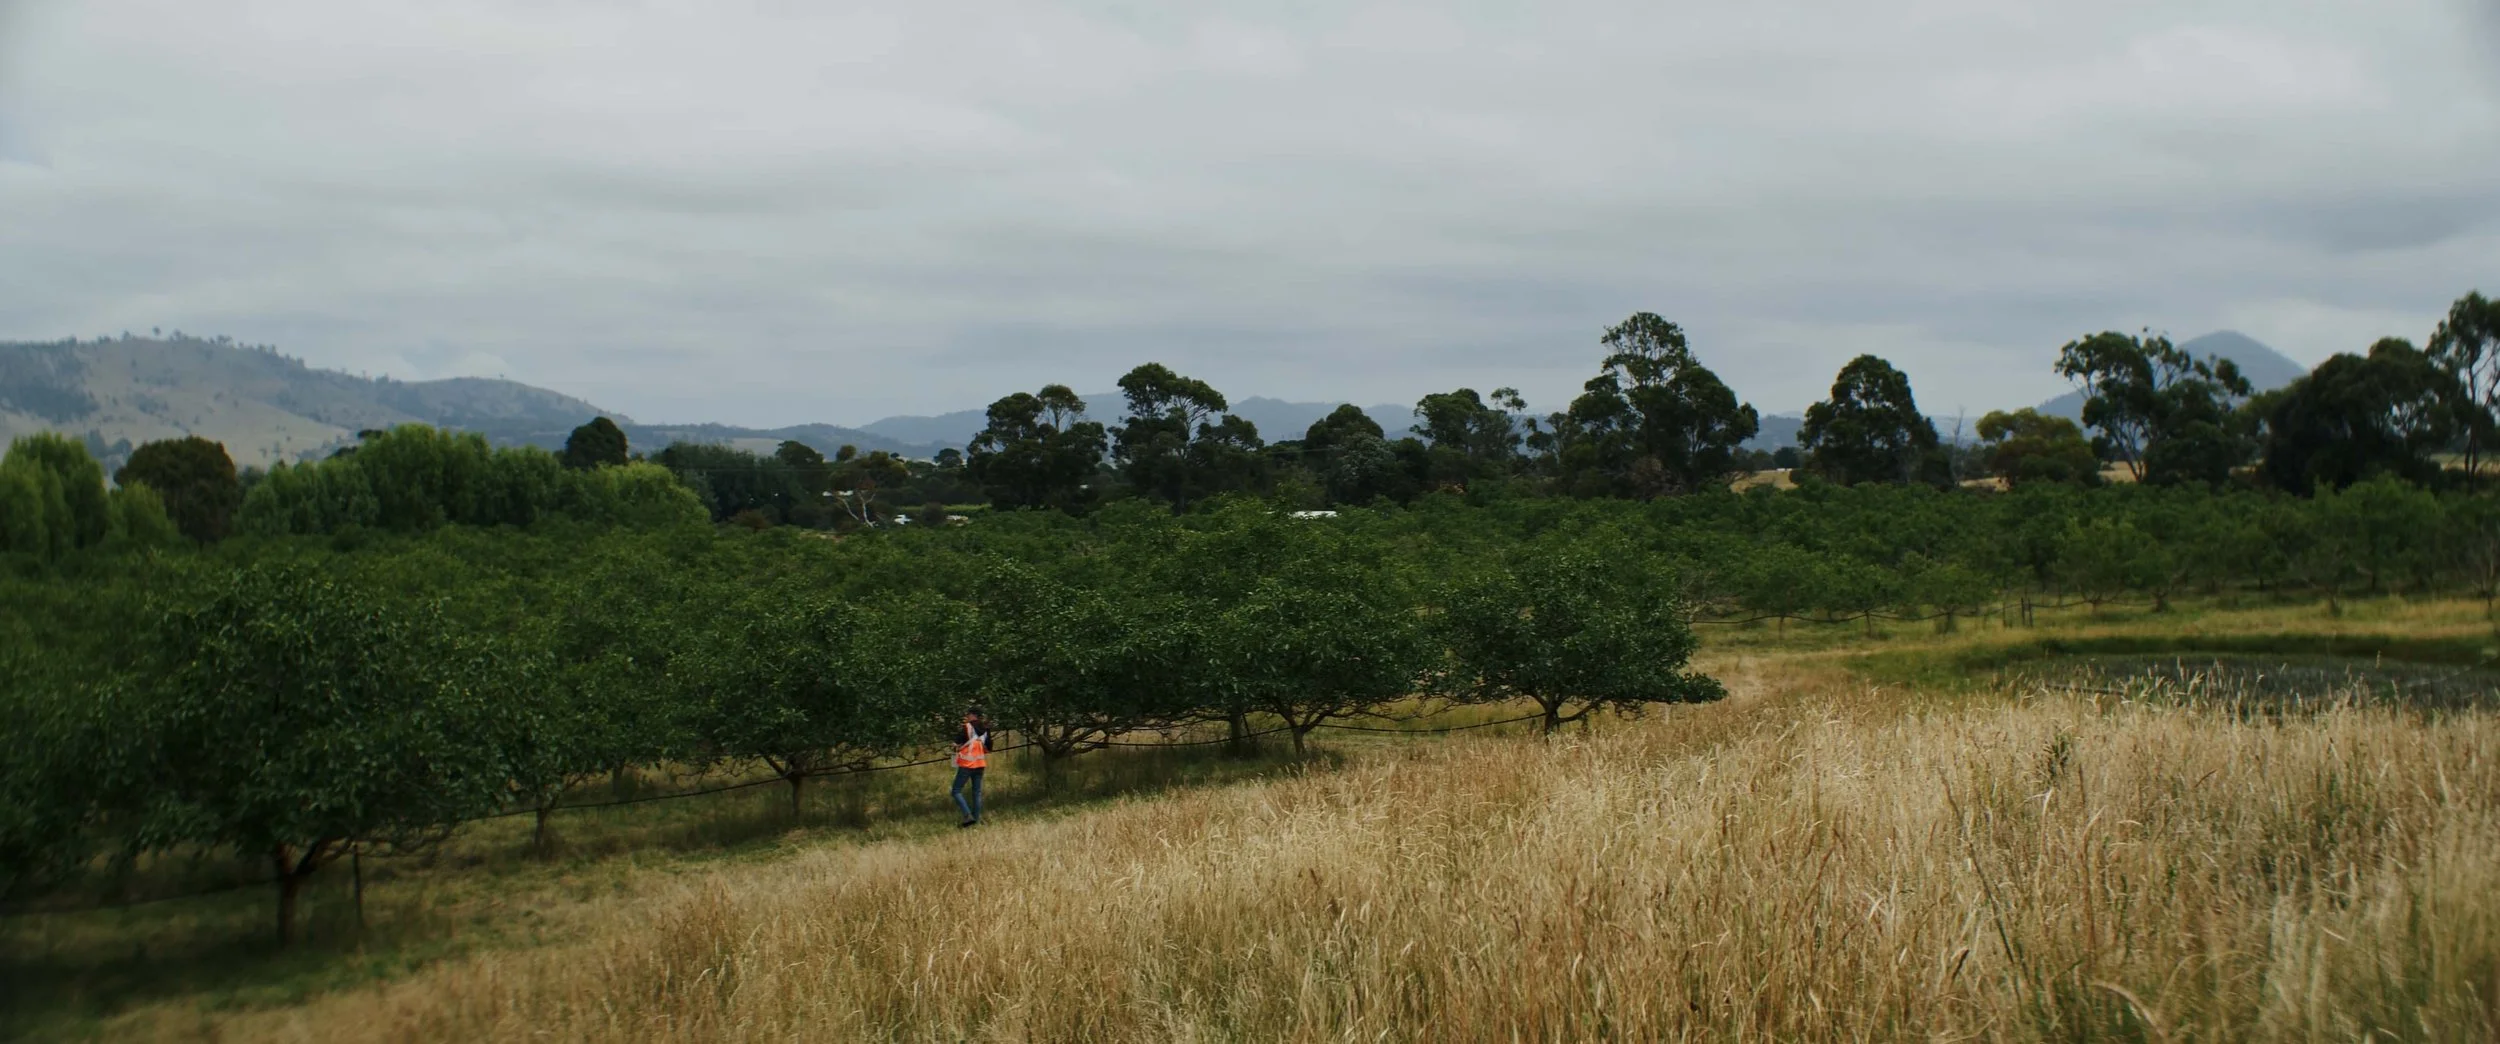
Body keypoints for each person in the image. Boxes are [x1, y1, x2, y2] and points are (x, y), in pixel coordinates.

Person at [951, 707, 991, 827]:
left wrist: (955, 746)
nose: (966, 716)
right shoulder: (986, 730)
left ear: (973, 715)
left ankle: (967, 815)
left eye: (968, 714)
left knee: (956, 791)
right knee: (976, 793)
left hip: (967, 764)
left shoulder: (967, 727)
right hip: (980, 764)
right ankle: (976, 821)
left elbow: (956, 743)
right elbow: (989, 747)